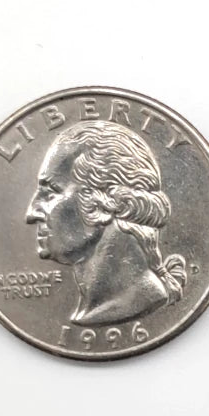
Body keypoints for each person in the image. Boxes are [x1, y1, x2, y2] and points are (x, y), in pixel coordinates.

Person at [26, 120, 186, 325]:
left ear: (103, 203)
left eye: (50, 193)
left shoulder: (133, 304)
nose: (31, 213)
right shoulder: (93, 311)